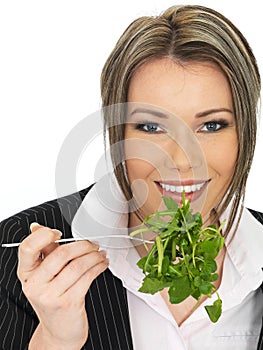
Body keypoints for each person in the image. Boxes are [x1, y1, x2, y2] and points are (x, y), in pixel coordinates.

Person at [0, 4, 262, 350]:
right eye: (152, 127)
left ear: (244, 131)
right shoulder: (18, 255)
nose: (182, 162)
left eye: (211, 125)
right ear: (117, 133)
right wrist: (55, 340)